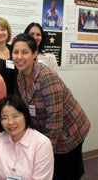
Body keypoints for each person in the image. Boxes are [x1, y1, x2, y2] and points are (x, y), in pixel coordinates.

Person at [11, 33, 90, 180]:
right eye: (16, 52)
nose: (19, 57)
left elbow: (55, 120)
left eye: (25, 52)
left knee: (66, 170)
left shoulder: (47, 77)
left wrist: (44, 149)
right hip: (50, 130)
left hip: (69, 131)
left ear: (35, 54)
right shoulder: (21, 77)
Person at [0, 95, 54, 180]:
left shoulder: (42, 143)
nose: (10, 122)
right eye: (4, 118)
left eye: (15, 116)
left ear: (25, 116)